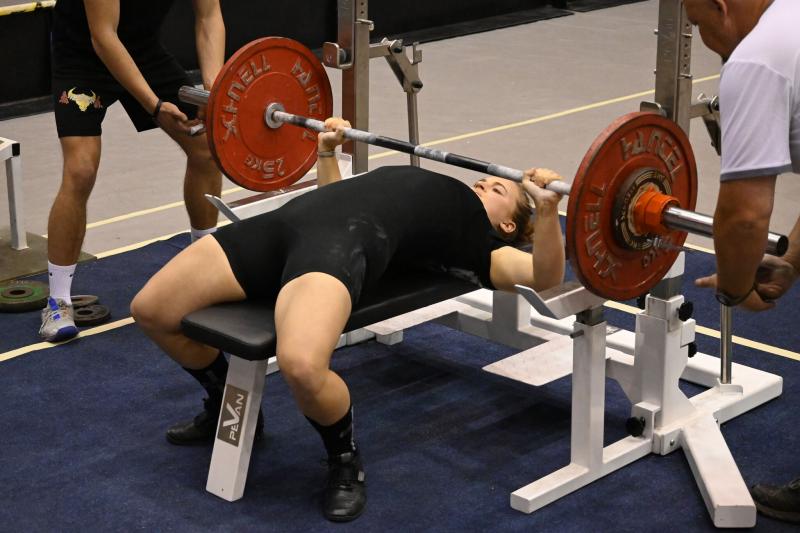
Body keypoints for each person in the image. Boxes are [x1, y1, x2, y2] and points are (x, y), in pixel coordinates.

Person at [130, 117, 566, 522]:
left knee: (302, 366)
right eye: (482, 180)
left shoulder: (482, 244)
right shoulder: (439, 190)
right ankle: (225, 401)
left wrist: (547, 211)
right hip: (285, 224)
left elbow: (544, 276)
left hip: (336, 248)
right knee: (152, 309)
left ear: (508, 226)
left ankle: (344, 459)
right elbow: (335, 195)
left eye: (497, 189)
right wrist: (326, 151)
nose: (483, 183)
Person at [40, 0, 225, 342]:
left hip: (142, 51)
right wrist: (154, 105)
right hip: (83, 56)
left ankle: (207, 271)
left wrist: (212, 92)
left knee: (206, 149)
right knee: (81, 169)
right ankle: (58, 301)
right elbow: (103, 36)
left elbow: (209, 16)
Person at [686, 0, 800, 524]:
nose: (701, 37)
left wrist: (735, 289)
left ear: (721, 6)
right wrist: (791, 260)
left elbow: (744, 217)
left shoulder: (755, 60)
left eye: (697, 23)